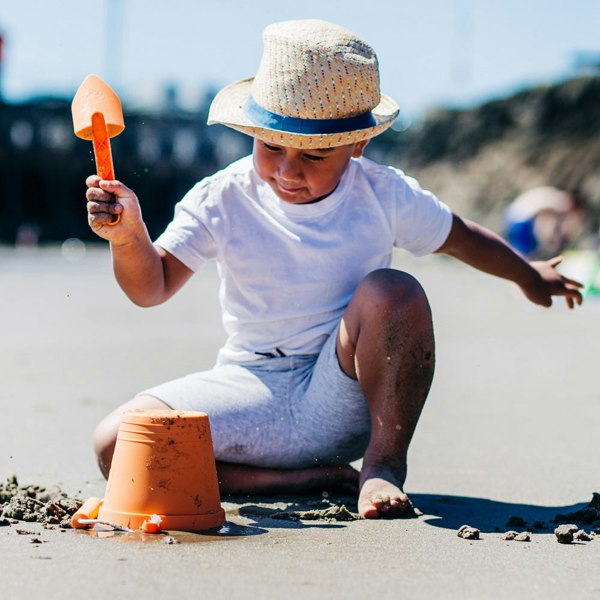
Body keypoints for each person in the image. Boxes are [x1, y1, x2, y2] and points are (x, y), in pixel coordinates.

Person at [86, 19, 583, 519]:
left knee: (394, 290)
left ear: (356, 144)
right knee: (117, 442)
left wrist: (527, 274)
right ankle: (297, 480)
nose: (287, 172)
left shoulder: (383, 194)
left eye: (315, 154)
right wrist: (129, 236)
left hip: (342, 396)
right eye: (271, 146)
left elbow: (462, 237)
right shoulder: (223, 196)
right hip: (249, 389)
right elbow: (152, 287)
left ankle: (383, 466)